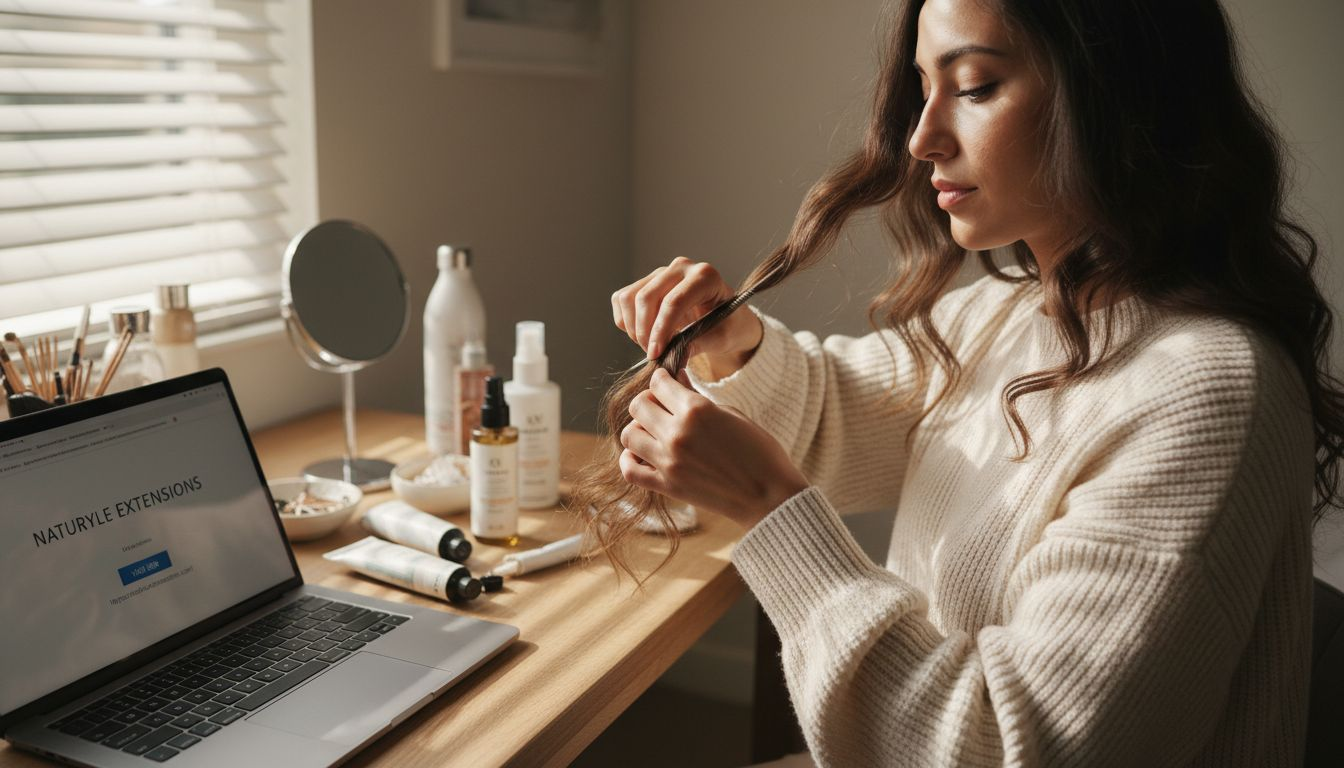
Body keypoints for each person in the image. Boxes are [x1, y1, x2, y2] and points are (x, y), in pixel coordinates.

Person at [597, 0, 1342, 765]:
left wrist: (768, 508)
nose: (922, 138)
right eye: (925, 87)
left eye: (977, 85)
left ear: (1117, 97)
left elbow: (1010, 747)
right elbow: (836, 411)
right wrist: (734, 341)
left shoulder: (1210, 390)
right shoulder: (1008, 310)